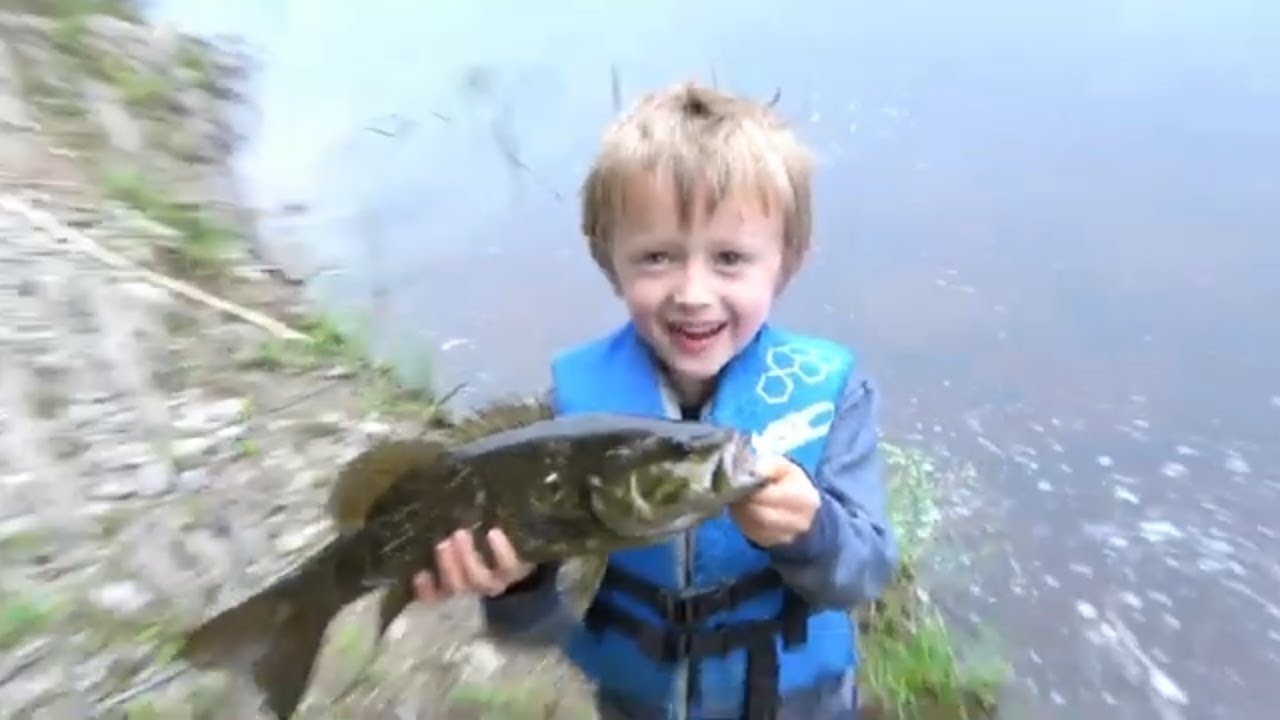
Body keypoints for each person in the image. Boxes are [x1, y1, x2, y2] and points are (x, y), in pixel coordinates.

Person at [412, 80, 899, 720]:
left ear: (787, 261)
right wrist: (517, 584)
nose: (693, 293)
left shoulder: (832, 396)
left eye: (729, 258)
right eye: (658, 257)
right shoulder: (566, 416)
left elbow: (864, 576)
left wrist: (813, 528)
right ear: (608, 260)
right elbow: (535, 633)